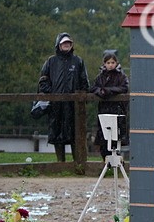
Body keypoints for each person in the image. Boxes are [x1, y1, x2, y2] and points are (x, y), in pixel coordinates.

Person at [38, 32, 89, 162]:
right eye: (64, 43)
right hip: (56, 106)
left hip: (74, 106)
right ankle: (60, 164)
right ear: (58, 45)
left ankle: (78, 164)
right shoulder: (51, 61)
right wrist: (54, 93)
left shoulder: (78, 61)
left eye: (68, 43)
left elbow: (85, 83)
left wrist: (81, 98)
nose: (66, 45)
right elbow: (42, 82)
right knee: (56, 134)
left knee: (75, 134)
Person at [90, 49, 129, 160]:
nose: (110, 65)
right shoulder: (100, 77)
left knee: (116, 137)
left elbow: (124, 88)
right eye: (108, 63)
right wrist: (100, 91)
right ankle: (105, 162)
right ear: (104, 64)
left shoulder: (121, 76)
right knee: (104, 137)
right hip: (103, 110)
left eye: (112, 62)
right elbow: (93, 87)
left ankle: (116, 162)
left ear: (116, 63)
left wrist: (109, 91)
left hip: (117, 109)